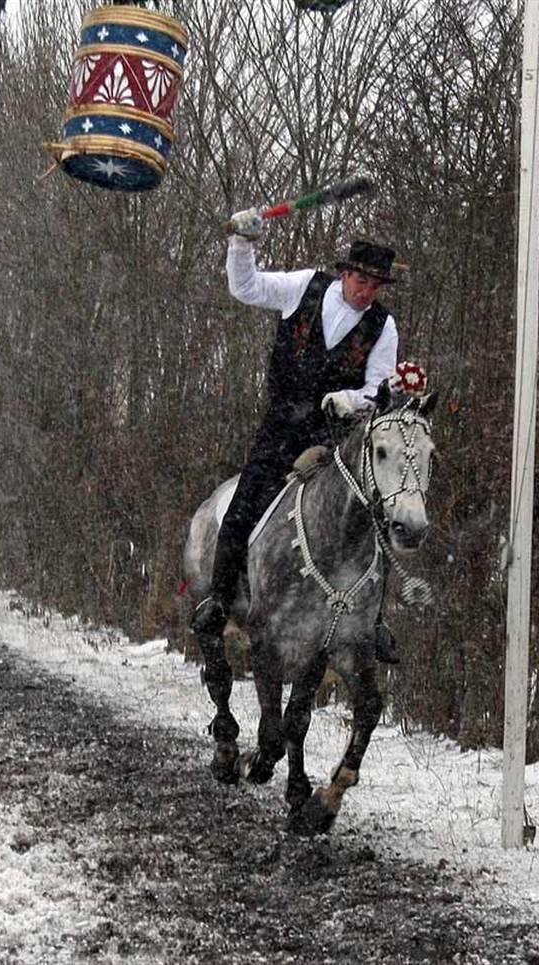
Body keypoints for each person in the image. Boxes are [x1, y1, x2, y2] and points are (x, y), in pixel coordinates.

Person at [191, 207, 403, 662]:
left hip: (334, 441)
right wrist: (241, 245)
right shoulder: (304, 287)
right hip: (282, 427)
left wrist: (351, 400)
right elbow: (246, 287)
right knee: (243, 508)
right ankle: (219, 601)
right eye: (361, 281)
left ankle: (373, 621)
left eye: (375, 285)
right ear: (345, 274)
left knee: (373, 517)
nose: (366, 291)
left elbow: (379, 390)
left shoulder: (383, 327)